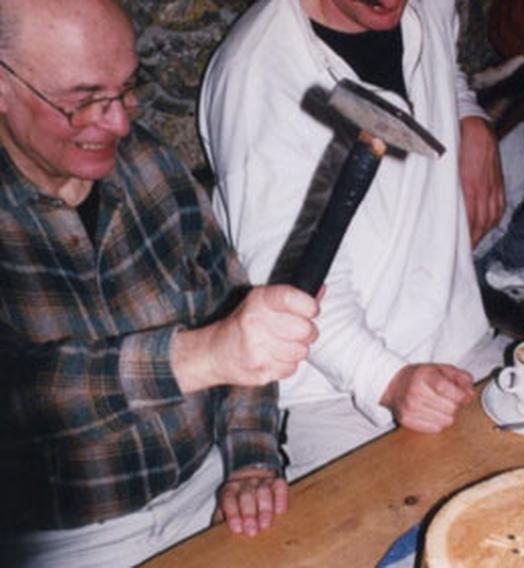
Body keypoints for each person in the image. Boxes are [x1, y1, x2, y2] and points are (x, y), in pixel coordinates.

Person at [0, 0, 319, 565]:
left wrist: (249, 459)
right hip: (58, 542)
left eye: (127, 88)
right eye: (84, 101)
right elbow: (21, 397)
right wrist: (202, 356)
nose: (120, 121)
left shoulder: (148, 161)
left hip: (210, 484)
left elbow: (236, 316)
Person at [199, 0, 509, 480]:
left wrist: (471, 119)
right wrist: (388, 380)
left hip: (461, 342)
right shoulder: (259, 75)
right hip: (340, 394)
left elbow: (441, 60)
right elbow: (292, 290)